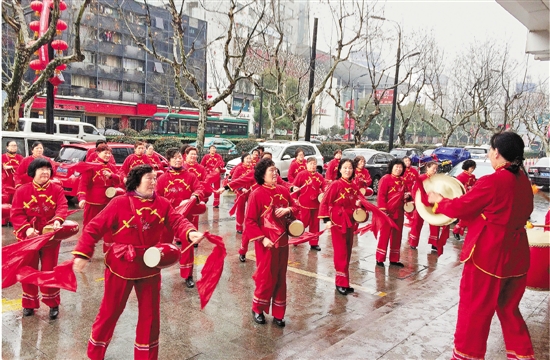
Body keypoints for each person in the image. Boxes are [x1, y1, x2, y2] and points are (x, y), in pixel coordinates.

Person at [72, 165, 204, 360]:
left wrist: (190, 231)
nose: (153, 182)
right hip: (121, 265)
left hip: (150, 265)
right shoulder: (119, 203)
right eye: (149, 178)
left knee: (150, 317)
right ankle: (95, 354)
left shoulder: (163, 203)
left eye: (154, 178)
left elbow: (177, 221)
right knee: (109, 313)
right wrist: (83, 253)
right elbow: (93, 227)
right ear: (137, 181)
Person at [427, 132, 535, 360]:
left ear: (497, 153)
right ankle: (523, 355)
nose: (489, 154)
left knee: (474, 310)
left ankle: (466, 356)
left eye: (490, 150)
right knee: (508, 309)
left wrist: (439, 201)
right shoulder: (524, 181)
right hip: (516, 254)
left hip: (489, 254)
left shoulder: (494, 180)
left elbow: (462, 208)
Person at [10, 158, 68, 319]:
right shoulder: (22, 190)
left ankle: (53, 304)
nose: (45, 172)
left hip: (50, 237)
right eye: (41, 169)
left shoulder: (57, 189)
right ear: (32, 172)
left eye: (48, 169)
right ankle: (29, 304)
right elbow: (16, 213)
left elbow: (62, 206)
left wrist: (58, 219)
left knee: (49, 270)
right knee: (28, 270)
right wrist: (27, 229)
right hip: (29, 238)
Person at [244, 158, 297, 326]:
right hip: (266, 244)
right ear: (262, 175)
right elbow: (250, 221)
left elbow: (296, 208)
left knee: (281, 277)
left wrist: (288, 209)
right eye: (271, 171)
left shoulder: (283, 190)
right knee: (266, 277)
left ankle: (279, 313)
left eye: (275, 170)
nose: (275, 174)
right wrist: (262, 238)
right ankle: (257, 308)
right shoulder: (257, 194)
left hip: (283, 242)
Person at [156, 148, 208, 288]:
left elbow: (200, 189)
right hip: (167, 218)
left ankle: (188, 275)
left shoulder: (190, 176)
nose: (178, 160)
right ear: (169, 160)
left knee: (187, 246)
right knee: (162, 246)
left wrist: (193, 197)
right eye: (175, 158)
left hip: (186, 218)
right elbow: (156, 196)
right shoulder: (162, 179)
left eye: (179, 157)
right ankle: (156, 275)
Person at [319, 158, 364, 295]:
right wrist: (326, 219)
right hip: (337, 222)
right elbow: (325, 202)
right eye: (345, 168)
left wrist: (359, 204)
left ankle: (345, 282)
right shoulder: (335, 184)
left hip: (350, 222)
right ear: (339, 169)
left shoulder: (354, 185)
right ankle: (340, 283)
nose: (347, 170)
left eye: (350, 168)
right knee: (341, 253)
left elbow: (361, 199)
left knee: (348, 252)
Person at [77, 144, 121, 253]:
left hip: (108, 203)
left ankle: (108, 252)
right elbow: (83, 184)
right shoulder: (91, 166)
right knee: (89, 226)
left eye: (109, 153)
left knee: (110, 227)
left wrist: (112, 176)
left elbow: (119, 181)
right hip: (93, 203)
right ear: (98, 153)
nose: (107, 155)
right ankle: (85, 250)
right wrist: (82, 198)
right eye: (105, 153)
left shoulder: (112, 167)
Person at [407, 162, 449, 253]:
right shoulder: (421, 178)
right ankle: (413, 242)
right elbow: (414, 191)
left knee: (435, 223)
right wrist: (417, 202)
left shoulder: (437, 179)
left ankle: (434, 243)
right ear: (427, 168)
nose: (435, 171)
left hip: (433, 204)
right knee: (417, 223)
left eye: (436, 169)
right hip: (421, 204)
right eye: (433, 168)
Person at [375, 158, 407, 267]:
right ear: (391, 167)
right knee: (384, 235)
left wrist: (407, 197)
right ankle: (380, 258)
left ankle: (394, 259)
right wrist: (383, 211)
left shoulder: (403, 180)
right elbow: (381, 196)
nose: (398, 169)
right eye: (396, 167)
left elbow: (404, 195)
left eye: (400, 167)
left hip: (399, 211)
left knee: (397, 235)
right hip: (387, 212)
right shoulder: (385, 179)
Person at [292, 157, 326, 251]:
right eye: (311, 164)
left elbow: (324, 186)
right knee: (303, 222)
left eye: (314, 164)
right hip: (304, 203)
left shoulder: (319, 176)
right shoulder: (301, 175)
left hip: (316, 204)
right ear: (306, 164)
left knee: (315, 224)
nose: (313, 166)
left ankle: (314, 243)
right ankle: (296, 238)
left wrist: (325, 191)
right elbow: (295, 187)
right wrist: (294, 199)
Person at [452, 159, 477, 240]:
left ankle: (458, 230)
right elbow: (457, 188)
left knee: (468, 217)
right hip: (464, 198)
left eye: (473, 168)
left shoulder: (473, 177)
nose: (472, 169)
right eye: (471, 168)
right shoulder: (461, 176)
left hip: (472, 198)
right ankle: (457, 230)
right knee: (465, 216)